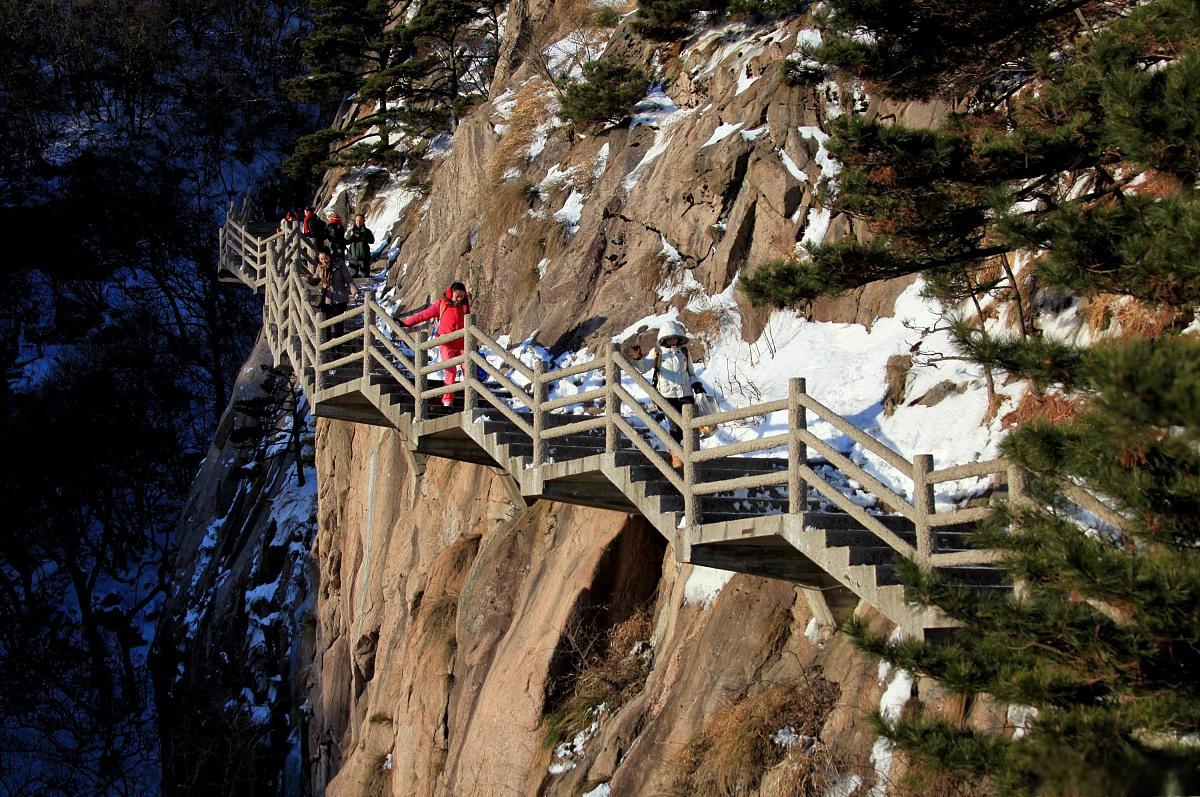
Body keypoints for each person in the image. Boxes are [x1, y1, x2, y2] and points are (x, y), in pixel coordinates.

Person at [628, 318, 704, 468]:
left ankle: (689, 455)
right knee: (675, 426)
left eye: (675, 337)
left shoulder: (684, 352)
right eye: (669, 339)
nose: (673, 341)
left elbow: (691, 373)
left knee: (689, 426)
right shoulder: (657, 352)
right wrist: (638, 358)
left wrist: (697, 385)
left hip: (685, 393)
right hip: (667, 396)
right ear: (664, 339)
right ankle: (676, 457)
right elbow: (644, 368)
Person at [399, 282, 471, 408]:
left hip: (462, 343)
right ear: (450, 293)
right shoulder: (441, 304)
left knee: (469, 368)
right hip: (446, 344)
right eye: (457, 296)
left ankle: (470, 398)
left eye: (461, 296)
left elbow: (470, 323)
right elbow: (423, 315)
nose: (459, 299)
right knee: (450, 370)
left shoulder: (464, 306)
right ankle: (447, 398)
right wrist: (406, 323)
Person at [303, 251, 359, 339]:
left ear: (330, 256)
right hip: (326, 298)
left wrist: (355, 292)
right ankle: (327, 344)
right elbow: (315, 280)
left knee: (338, 323)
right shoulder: (320, 267)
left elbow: (349, 280)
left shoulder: (340, 265)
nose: (324, 261)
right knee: (326, 322)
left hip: (339, 298)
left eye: (326, 258)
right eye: (321, 259)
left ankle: (338, 346)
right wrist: (308, 279)